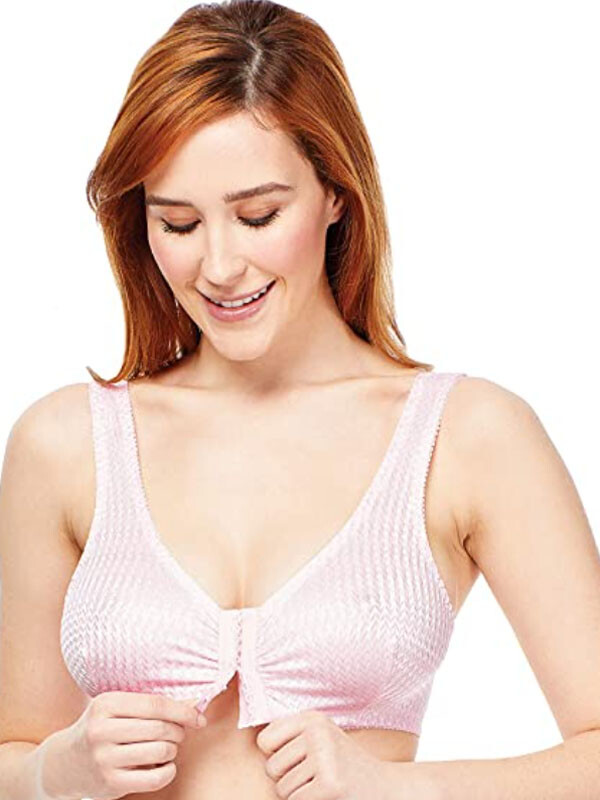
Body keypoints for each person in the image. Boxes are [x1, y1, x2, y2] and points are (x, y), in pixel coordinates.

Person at [2, 2, 600, 800]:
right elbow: (12, 754)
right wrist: (55, 770)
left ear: (335, 193)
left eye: (258, 215)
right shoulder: (65, 443)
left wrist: (393, 789)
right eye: (177, 223)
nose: (219, 266)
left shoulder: (466, 436)